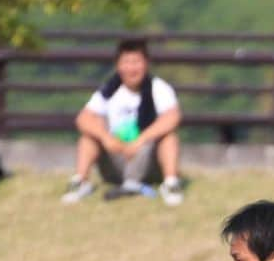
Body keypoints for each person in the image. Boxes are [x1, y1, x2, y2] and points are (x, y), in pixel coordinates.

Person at [61, 38, 184, 207]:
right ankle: (80, 181)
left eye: (136, 62)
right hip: (115, 158)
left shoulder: (158, 88)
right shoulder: (109, 90)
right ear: (118, 65)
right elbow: (83, 118)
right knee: (88, 137)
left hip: (148, 158)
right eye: (126, 62)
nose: (132, 68)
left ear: (146, 63)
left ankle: (171, 183)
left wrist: (141, 140)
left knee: (169, 138)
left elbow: (173, 117)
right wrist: (106, 138)